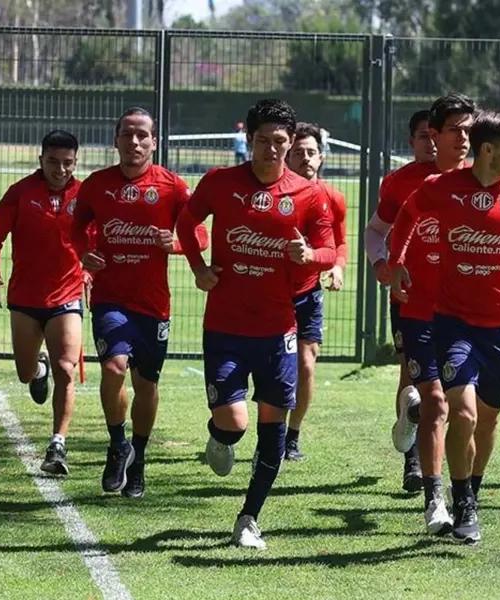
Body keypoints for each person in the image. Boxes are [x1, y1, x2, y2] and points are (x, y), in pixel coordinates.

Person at [176, 99, 336, 550]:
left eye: (280, 142)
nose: (271, 150)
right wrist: (198, 267)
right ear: (249, 139)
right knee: (233, 421)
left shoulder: (308, 194)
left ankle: (249, 517)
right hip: (225, 326)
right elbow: (187, 222)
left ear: (291, 143)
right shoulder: (220, 182)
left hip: (278, 328)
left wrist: (310, 256)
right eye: (262, 141)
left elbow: (329, 250)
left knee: (273, 427)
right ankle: (219, 436)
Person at [390, 111, 500, 545]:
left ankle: (471, 489)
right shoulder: (442, 188)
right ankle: (461, 503)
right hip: (451, 322)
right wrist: (397, 261)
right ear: (488, 150)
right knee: (462, 411)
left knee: (487, 422)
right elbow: (406, 217)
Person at [71, 107, 207, 499]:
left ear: (153, 141)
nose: (134, 141)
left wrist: (178, 244)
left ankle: (139, 459)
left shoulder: (172, 186)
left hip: (153, 305)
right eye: (127, 134)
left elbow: (201, 234)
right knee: (113, 369)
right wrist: (84, 253)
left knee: (146, 384)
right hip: (111, 299)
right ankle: (118, 444)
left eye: (142, 135)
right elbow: (77, 227)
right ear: (115, 140)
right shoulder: (96, 185)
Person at [363, 99, 472, 497]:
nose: (432, 143)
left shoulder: (479, 179)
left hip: (464, 307)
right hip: (411, 300)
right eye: (425, 136)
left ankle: (454, 475)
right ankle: (415, 462)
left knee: (456, 394)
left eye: (436, 135)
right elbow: (375, 232)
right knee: (415, 381)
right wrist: (382, 265)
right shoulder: (401, 182)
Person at [0, 129, 84, 476]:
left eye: (68, 163)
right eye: (53, 162)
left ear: (76, 162)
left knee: (67, 369)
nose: (60, 170)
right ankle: (37, 371)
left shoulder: (84, 194)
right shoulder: (21, 193)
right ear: (40, 159)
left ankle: (58, 444)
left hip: (67, 295)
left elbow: (100, 238)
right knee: (25, 371)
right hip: (25, 298)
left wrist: (92, 269)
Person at [283, 122, 348, 461]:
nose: (305, 158)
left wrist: (336, 267)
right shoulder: (277, 194)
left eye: (311, 152)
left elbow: (340, 243)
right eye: (298, 153)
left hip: (309, 293)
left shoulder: (333, 197)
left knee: (307, 365)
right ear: (286, 156)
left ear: (321, 157)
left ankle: (292, 436)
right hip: (272, 293)